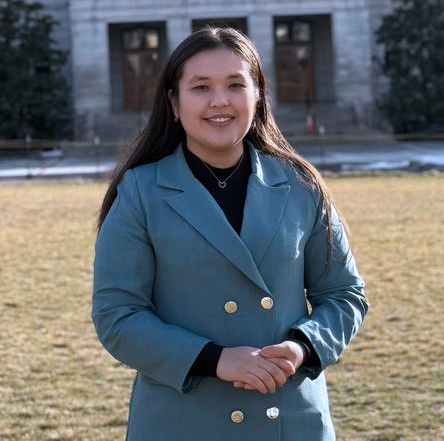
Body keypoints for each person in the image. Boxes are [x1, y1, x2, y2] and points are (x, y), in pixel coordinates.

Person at [92, 26, 368, 441]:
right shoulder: (139, 192)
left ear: (257, 96)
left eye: (235, 84)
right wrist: (214, 360)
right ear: (174, 102)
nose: (220, 100)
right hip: (182, 420)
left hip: (290, 418)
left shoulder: (301, 185)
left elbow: (345, 295)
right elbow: (118, 316)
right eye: (201, 87)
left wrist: (301, 349)